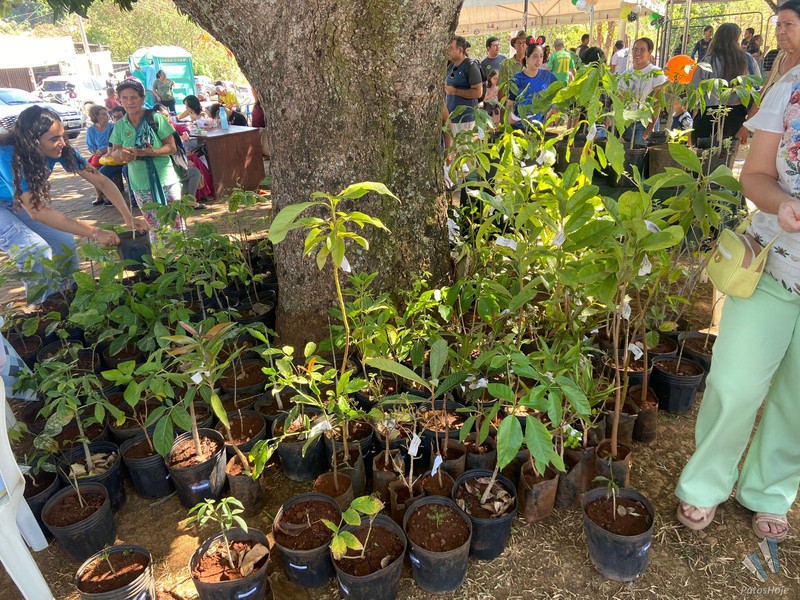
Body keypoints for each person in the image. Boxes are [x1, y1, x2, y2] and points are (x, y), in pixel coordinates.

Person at [675, 0, 800, 543]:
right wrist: (782, 204)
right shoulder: (787, 90)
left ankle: (769, 491)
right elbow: (755, 174)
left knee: (798, 400)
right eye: (780, 24)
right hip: (774, 264)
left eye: (788, 24)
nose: (782, 32)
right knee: (732, 381)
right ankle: (705, 482)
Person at [0, 106, 146, 302]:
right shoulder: (8, 155)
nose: (62, 142)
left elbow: (101, 181)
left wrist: (129, 217)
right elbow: (37, 211)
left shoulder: (63, 150)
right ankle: (43, 308)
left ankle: (69, 299)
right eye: (54, 138)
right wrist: (95, 232)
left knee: (64, 242)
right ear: (32, 141)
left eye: (62, 135)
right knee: (34, 249)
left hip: (18, 201)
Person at [110, 80, 184, 244]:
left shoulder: (156, 118)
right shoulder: (120, 125)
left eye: (134, 97)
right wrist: (121, 154)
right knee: (153, 226)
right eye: (125, 98)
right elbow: (114, 153)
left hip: (166, 180)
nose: (129, 102)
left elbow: (172, 147)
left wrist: (152, 152)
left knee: (176, 223)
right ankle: (160, 257)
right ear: (119, 100)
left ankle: (184, 255)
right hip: (140, 183)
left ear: (143, 98)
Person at [691, 23, 760, 146]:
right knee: (728, 155)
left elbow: (694, 88)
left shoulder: (708, 61)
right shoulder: (747, 60)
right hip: (736, 116)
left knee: (704, 155)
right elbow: (757, 89)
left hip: (709, 113)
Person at [618, 37, 668, 147]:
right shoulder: (626, 74)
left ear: (649, 52)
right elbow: (619, 99)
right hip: (627, 120)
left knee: (641, 151)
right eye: (635, 49)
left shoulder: (656, 73)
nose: (638, 53)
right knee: (628, 152)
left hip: (645, 121)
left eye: (642, 50)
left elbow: (657, 102)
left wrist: (651, 126)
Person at [506, 39, 558, 130]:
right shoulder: (517, 79)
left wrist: (550, 115)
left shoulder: (548, 76)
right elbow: (510, 104)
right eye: (535, 56)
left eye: (541, 56)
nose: (538, 60)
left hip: (539, 127)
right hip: (519, 127)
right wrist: (509, 116)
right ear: (527, 58)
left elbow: (558, 96)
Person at [445, 36, 483, 135]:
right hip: (451, 118)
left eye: (451, 48)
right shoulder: (450, 67)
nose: (448, 51)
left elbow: (478, 92)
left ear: (460, 50)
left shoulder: (470, 66)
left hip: (465, 118)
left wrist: (455, 91)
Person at [86, 105, 115, 206]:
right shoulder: (91, 130)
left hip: (111, 152)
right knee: (92, 170)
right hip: (99, 155)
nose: (106, 116)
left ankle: (111, 194)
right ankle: (99, 195)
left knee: (105, 169)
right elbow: (90, 145)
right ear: (96, 116)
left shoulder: (112, 127)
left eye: (106, 113)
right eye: (103, 114)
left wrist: (105, 150)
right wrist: (95, 151)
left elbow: (115, 142)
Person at [498, 30, 527, 102]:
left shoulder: (531, 63)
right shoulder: (506, 64)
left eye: (524, 42)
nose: (521, 45)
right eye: (518, 42)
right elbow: (501, 87)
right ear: (514, 45)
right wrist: (501, 106)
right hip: (511, 103)